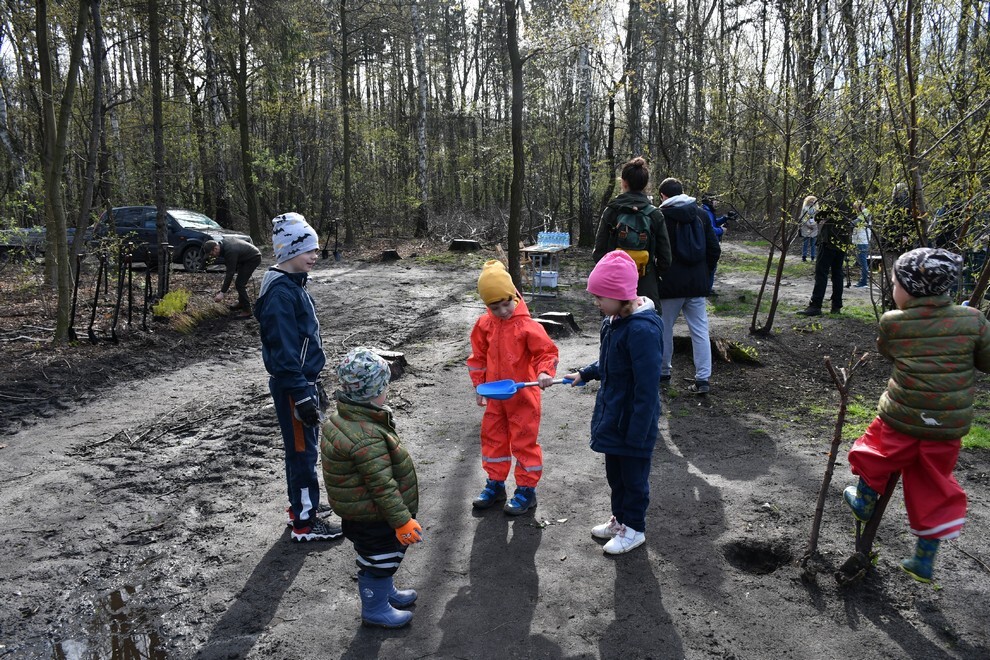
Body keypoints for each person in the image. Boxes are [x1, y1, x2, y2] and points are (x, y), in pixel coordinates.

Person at [842, 248, 990, 583]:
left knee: (874, 448)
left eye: (895, 283)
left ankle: (865, 499)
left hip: (901, 417)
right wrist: (967, 326)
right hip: (948, 427)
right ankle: (924, 558)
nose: (893, 288)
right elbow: (986, 362)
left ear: (908, 289)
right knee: (934, 482)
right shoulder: (974, 321)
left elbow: (887, 350)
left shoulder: (894, 323)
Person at [563, 250, 663, 555]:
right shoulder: (614, 321)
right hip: (614, 415)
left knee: (634, 481)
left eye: (600, 297)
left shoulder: (643, 331)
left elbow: (646, 389)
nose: (596, 303)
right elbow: (610, 361)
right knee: (616, 476)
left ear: (622, 296)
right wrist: (586, 372)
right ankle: (620, 521)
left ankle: (634, 530)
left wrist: (636, 434)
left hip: (633, 422)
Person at [254, 212, 342, 542]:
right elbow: (282, 349)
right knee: (303, 453)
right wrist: (301, 392)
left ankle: (305, 505)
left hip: (303, 381)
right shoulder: (280, 293)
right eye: (310, 250)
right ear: (290, 251)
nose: (315, 256)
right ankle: (305, 523)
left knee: (304, 449)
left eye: (316, 250)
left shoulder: (293, 284)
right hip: (294, 384)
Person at [322, 347, 422, 629]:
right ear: (373, 391)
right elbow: (381, 485)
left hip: (361, 510)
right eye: (384, 387)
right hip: (373, 515)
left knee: (381, 558)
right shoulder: (365, 434)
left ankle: (384, 591)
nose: (386, 392)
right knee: (378, 559)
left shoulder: (345, 419)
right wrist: (402, 520)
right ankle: (375, 608)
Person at [466, 260, 559, 515]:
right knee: (493, 440)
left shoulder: (528, 326)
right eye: (495, 307)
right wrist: (479, 386)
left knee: (524, 443)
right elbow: (477, 359)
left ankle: (527, 490)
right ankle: (495, 484)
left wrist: (544, 372)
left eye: (506, 304)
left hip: (523, 396)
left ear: (513, 296)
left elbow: (546, 352)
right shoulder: (484, 325)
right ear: (487, 306)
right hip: (495, 396)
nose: (503, 311)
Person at [655, 177, 721, 394]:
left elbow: (658, 252)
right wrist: (705, 272)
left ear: (663, 196)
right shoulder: (701, 214)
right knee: (700, 331)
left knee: (664, 329)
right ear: (683, 192)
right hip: (696, 284)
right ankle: (703, 379)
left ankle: (664, 372)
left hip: (669, 284)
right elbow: (714, 249)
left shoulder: (660, 217)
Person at [593, 157, 672, 307]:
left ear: (623, 183)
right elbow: (665, 259)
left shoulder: (612, 211)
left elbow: (598, 252)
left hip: (613, 288)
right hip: (645, 286)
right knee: (645, 325)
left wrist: (610, 272)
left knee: (614, 326)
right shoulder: (654, 214)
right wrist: (650, 272)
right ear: (645, 185)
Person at [797, 191, 854, 316]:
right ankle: (836, 306)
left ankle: (816, 305)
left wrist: (823, 216)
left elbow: (819, 216)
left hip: (828, 241)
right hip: (843, 242)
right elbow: (854, 217)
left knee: (821, 273)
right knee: (837, 273)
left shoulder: (833, 198)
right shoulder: (850, 199)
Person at [204, 237, 262, 317]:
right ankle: (241, 303)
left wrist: (222, 293)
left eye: (211, 253)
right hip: (245, 258)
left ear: (215, 248)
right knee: (239, 282)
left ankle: (247, 310)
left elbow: (230, 273)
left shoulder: (230, 251)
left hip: (253, 258)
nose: (212, 256)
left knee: (240, 284)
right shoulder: (223, 244)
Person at [852, 200, 872, 287]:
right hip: (860, 240)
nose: (855, 210)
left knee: (863, 261)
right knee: (861, 261)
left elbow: (856, 222)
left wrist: (846, 223)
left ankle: (863, 281)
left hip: (862, 240)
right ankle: (863, 280)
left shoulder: (865, 212)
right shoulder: (862, 213)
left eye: (856, 208)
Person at [798, 195, 819, 262]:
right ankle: (804, 257)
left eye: (813, 202)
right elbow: (802, 218)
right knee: (805, 243)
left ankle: (813, 257)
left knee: (813, 244)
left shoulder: (816, 209)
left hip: (814, 228)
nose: (812, 203)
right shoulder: (804, 209)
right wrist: (807, 225)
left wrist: (814, 224)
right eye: (810, 201)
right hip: (806, 227)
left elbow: (817, 218)